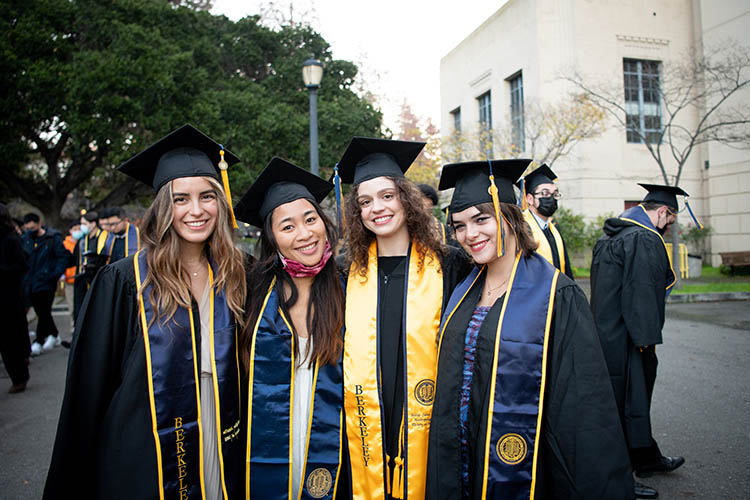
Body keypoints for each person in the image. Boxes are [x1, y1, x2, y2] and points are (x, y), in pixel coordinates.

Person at [44, 124, 247, 500]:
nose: (197, 210)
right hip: (147, 444)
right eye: (181, 199)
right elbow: (88, 390)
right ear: (164, 206)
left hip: (222, 433)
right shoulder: (123, 280)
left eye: (207, 196)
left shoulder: (238, 272)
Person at [426, 159, 633, 500]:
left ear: (509, 215)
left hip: (522, 463)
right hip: (459, 452)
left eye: (481, 219)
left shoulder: (557, 295)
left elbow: (583, 405)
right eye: (459, 225)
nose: (470, 234)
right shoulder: (464, 286)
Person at [336, 137, 471, 500]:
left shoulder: (450, 264)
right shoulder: (345, 273)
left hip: (428, 412)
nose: (376, 208)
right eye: (365, 202)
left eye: (386, 196)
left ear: (405, 200)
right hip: (367, 416)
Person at [234, 158, 346, 500]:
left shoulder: (349, 289)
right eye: (288, 226)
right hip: (263, 441)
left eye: (310, 219)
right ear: (272, 237)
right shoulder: (249, 293)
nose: (305, 233)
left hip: (333, 447)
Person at [590, 183, 690, 499]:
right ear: (663, 211)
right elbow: (641, 290)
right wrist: (646, 338)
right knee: (627, 404)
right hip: (630, 338)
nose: (669, 226)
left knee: (628, 402)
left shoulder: (612, 234)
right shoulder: (643, 238)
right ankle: (621, 477)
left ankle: (646, 457)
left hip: (608, 333)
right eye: (670, 219)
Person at [21, 213, 72, 356]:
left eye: (32, 227)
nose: (30, 230)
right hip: (31, 281)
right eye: (28, 228)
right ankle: (54, 334)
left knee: (43, 310)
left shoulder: (52, 238)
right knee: (41, 311)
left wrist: (54, 274)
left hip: (46, 281)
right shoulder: (26, 240)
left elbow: (62, 257)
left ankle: (38, 340)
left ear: (38, 224)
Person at [517, 164, 574, 279]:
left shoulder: (554, 228)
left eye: (555, 194)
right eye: (545, 193)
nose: (551, 198)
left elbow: (566, 267)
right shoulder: (521, 228)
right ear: (530, 199)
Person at [0, 203, 31, 393]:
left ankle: (19, 375)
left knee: (11, 338)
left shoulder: (11, 238)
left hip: (9, 296)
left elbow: (22, 265)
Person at [72, 210, 109, 323]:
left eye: (84, 224)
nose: (82, 227)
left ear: (93, 224)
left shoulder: (105, 237)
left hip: (98, 280)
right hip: (83, 280)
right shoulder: (83, 240)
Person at [62, 220, 80, 329]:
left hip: (81, 279)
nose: (77, 231)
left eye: (79, 228)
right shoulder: (65, 244)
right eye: (75, 229)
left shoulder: (83, 241)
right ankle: (74, 327)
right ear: (70, 231)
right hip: (70, 279)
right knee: (71, 306)